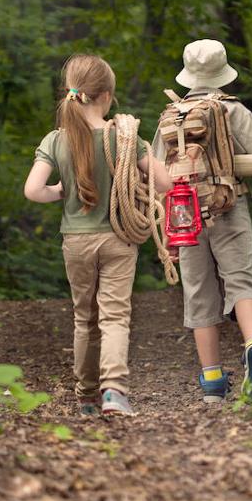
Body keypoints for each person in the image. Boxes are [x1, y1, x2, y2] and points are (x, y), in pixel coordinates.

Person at [24, 54, 172, 417]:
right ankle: (114, 392)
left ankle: (87, 396)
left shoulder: (56, 139)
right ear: (107, 96)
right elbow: (165, 183)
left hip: (75, 240)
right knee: (115, 316)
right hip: (118, 239)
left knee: (83, 317)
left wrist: (61, 191)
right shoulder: (124, 138)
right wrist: (136, 180)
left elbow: (33, 190)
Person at [156, 39, 252, 402]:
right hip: (230, 206)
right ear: (223, 73)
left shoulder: (171, 116)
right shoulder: (233, 111)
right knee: (242, 281)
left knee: (197, 292)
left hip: (184, 214)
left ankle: (212, 380)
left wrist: (169, 227)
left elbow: (159, 177)